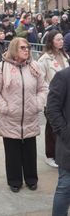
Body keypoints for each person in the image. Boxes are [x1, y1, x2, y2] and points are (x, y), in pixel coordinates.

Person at [0, 37, 47, 193]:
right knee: (12, 152)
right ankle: (14, 181)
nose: (26, 50)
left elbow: (43, 88)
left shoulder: (35, 67)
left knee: (30, 151)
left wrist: (38, 104)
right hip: (10, 118)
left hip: (30, 117)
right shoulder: (2, 68)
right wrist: (5, 107)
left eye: (27, 47)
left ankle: (31, 179)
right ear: (14, 49)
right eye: (22, 47)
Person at [37, 30, 69, 168]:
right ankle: (51, 155)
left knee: (63, 125)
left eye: (62, 39)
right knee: (51, 128)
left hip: (65, 97)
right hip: (52, 97)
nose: (61, 42)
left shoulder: (65, 56)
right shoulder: (44, 59)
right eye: (58, 39)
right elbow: (40, 79)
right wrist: (52, 89)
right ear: (51, 41)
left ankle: (61, 153)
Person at [46, 67, 70, 216]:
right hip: (68, 145)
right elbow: (52, 109)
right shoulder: (64, 76)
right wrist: (65, 133)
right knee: (65, 187)